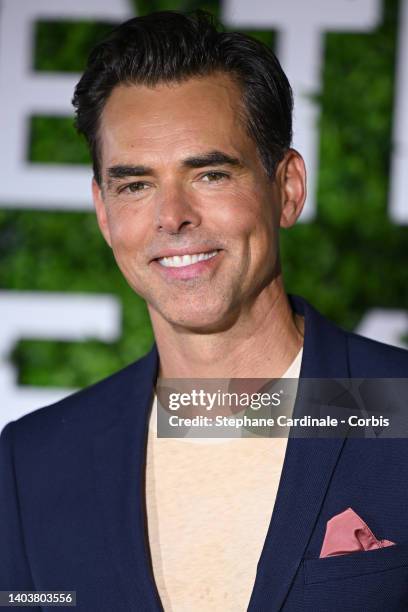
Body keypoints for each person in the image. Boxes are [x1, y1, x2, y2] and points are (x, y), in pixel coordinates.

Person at [1, 10, 407, 612]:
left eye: (211, 174)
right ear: (104, 213)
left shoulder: (397, 409)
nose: (172, 217)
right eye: (135, 184)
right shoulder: (32, 465)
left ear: (287, 188)